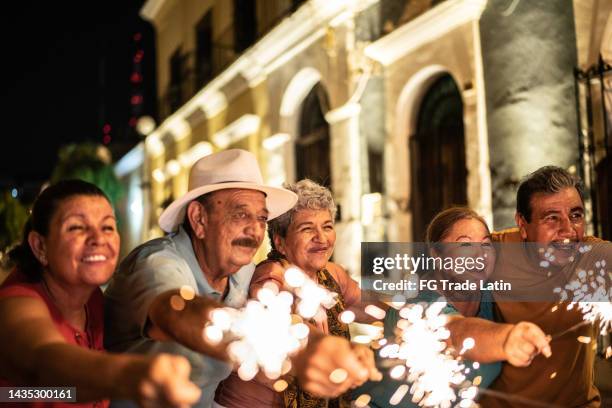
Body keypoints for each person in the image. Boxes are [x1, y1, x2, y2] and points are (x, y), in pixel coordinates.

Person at [104, 151, 374, 408]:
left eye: (261, 218)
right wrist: (294, 348)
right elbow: (179, 311)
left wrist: (331, 346)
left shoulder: (242, 271)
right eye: (241, 214)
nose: (255, 230)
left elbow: (290, 309)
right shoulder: (157, 263)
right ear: (199, 219)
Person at [0, 179, 201, 408]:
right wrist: (132, 375)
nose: (98, 239)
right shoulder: (16, 303)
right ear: (40, 246)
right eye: (76, 227)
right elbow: (42, 362)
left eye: (107, 227)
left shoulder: (93, 298)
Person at [362, 207, 551, 407]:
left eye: (486, 245)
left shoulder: (491, 290)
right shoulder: (417, 307)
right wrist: (506, 339)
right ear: (437, 254)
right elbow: (456, 332)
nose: (480, 255)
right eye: (465, 244)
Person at [215, 179, 378, 408]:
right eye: (307, 229)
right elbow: (275, 317)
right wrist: (323, 346)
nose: (321, 238)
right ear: (281, 242)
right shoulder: (272, 274)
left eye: (327, 226)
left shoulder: (333, 274)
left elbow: (372, 308)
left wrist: (409, 321)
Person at [480, 165, 609, 407]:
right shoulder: (495, 251)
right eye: (551, 218)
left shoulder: (591, 256)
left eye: (575, 215)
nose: (568, 230)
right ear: (522, 224)